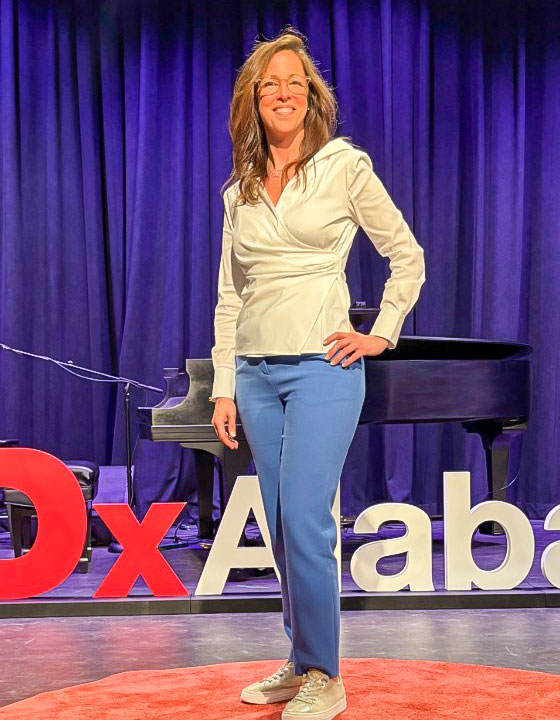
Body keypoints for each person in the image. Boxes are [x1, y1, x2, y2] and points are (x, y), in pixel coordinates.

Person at [208, 27, 425, 720]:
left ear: (311, 97)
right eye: (270, 83)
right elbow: (229, 295)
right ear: (254, 98)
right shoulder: (237, 191)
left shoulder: (344, 167)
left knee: (305, 519)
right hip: (256, 375)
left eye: (294, 83)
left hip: (322, 369)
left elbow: (407, 256)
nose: (283, 93)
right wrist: (222, 383)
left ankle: (327, 677)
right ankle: (301, 660)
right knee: (276, 525)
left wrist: (379, 333)